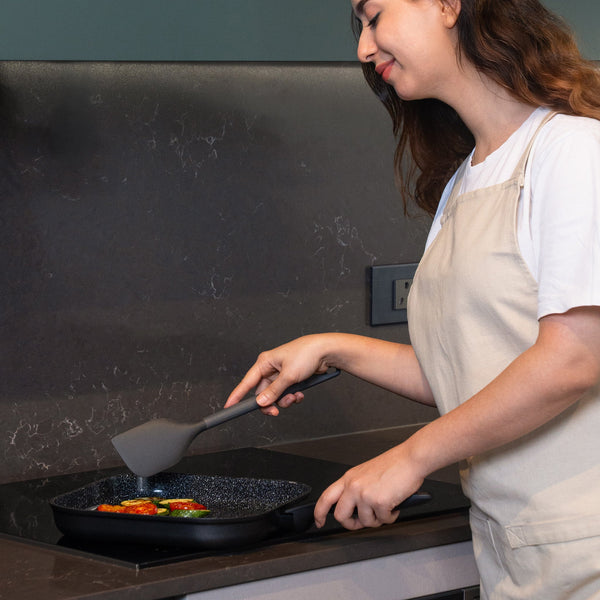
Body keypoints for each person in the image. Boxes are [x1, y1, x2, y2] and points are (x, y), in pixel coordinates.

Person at [225, 1, 600, 597]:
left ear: (449, 5)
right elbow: (470, 374)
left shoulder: (573, 151)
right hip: (516, 552)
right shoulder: (464, 181)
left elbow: (574, 358)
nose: (363, 48)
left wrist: (411, 458)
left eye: (373, 15)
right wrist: (332, 348)